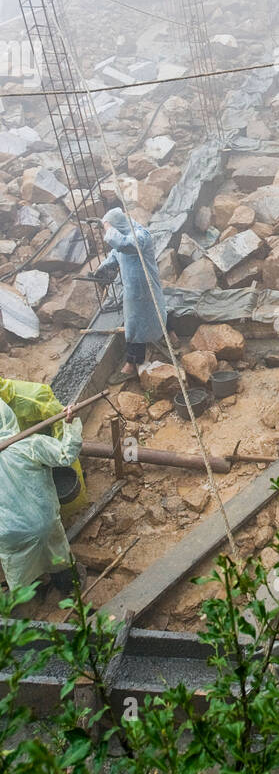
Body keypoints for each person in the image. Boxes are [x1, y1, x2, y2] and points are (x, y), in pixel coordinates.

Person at [0, 400, 83, 597]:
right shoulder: (29, 444)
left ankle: (32, 592)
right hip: (43, 522)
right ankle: (67, 585)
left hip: (7, 532)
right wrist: (70, 424)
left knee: (19, 564)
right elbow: (66, 455)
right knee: (56, 551)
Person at [92, 208, 167, 379]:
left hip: (146, 287)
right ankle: (158, 340)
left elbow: (124, 245)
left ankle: (132, 363)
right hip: (133, 290)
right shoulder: (123, 235)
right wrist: (101, 269)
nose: (108, 232)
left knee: (149, 315)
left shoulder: (140, 236)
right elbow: (115, 254)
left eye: (110, 228)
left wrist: (107, 226)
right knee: (138, 322)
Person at [0, 377, 85, 514]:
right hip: (21, 458)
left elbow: (61, 428)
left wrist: (53, 453)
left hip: (45, 449)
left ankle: (75, 513)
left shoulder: (32, 396)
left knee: (69, 498)